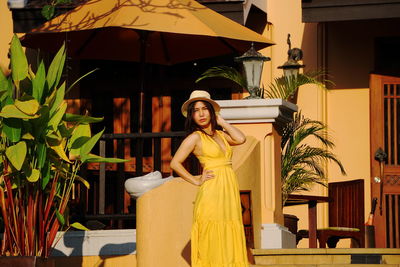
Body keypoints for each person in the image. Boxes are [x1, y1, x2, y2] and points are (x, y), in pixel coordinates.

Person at [170, 90, 249, 267]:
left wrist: (223, 122)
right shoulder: (194, 137)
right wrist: (196, 180)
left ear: (212, 112)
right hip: (212, 190)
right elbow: (175, 163)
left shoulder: (221, 135)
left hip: (228, 188)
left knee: (229, 228)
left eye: (205, 108)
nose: (201, 114)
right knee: (212, 231)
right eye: (196, 110)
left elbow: (241, 138)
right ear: (191, 116)